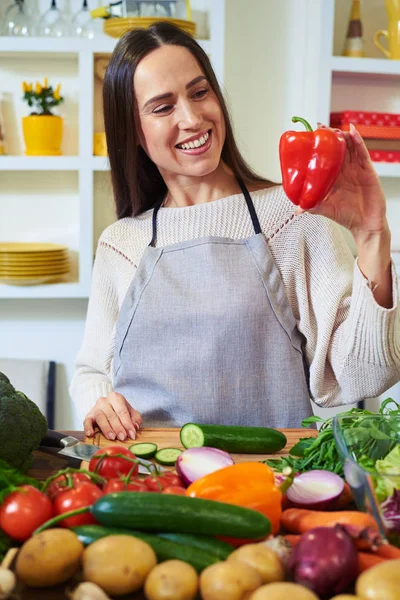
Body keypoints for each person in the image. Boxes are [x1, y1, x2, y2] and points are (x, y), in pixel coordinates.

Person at [70, 22, 400, 442]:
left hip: (269, 481)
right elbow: (91, 372)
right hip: (150, 481)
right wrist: (99, 402)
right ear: (134, 132)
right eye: (162, 107)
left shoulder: (294, 216)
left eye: (199, 92)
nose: (192, 118)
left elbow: (363, 375)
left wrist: (373, 236)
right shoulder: (121, 243)